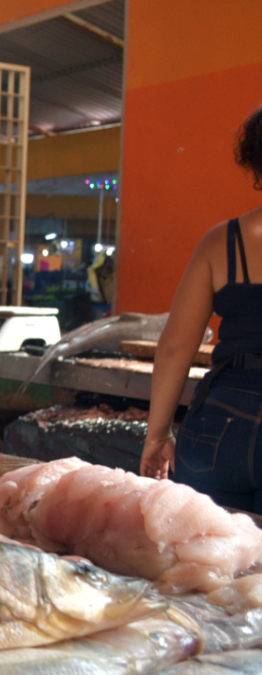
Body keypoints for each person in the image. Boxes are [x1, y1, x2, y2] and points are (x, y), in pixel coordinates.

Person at [144, 105, 262, 511]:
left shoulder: (222, 242)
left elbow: (176, 346)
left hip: (222, 425)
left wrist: (157, 436)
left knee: (205, 558)